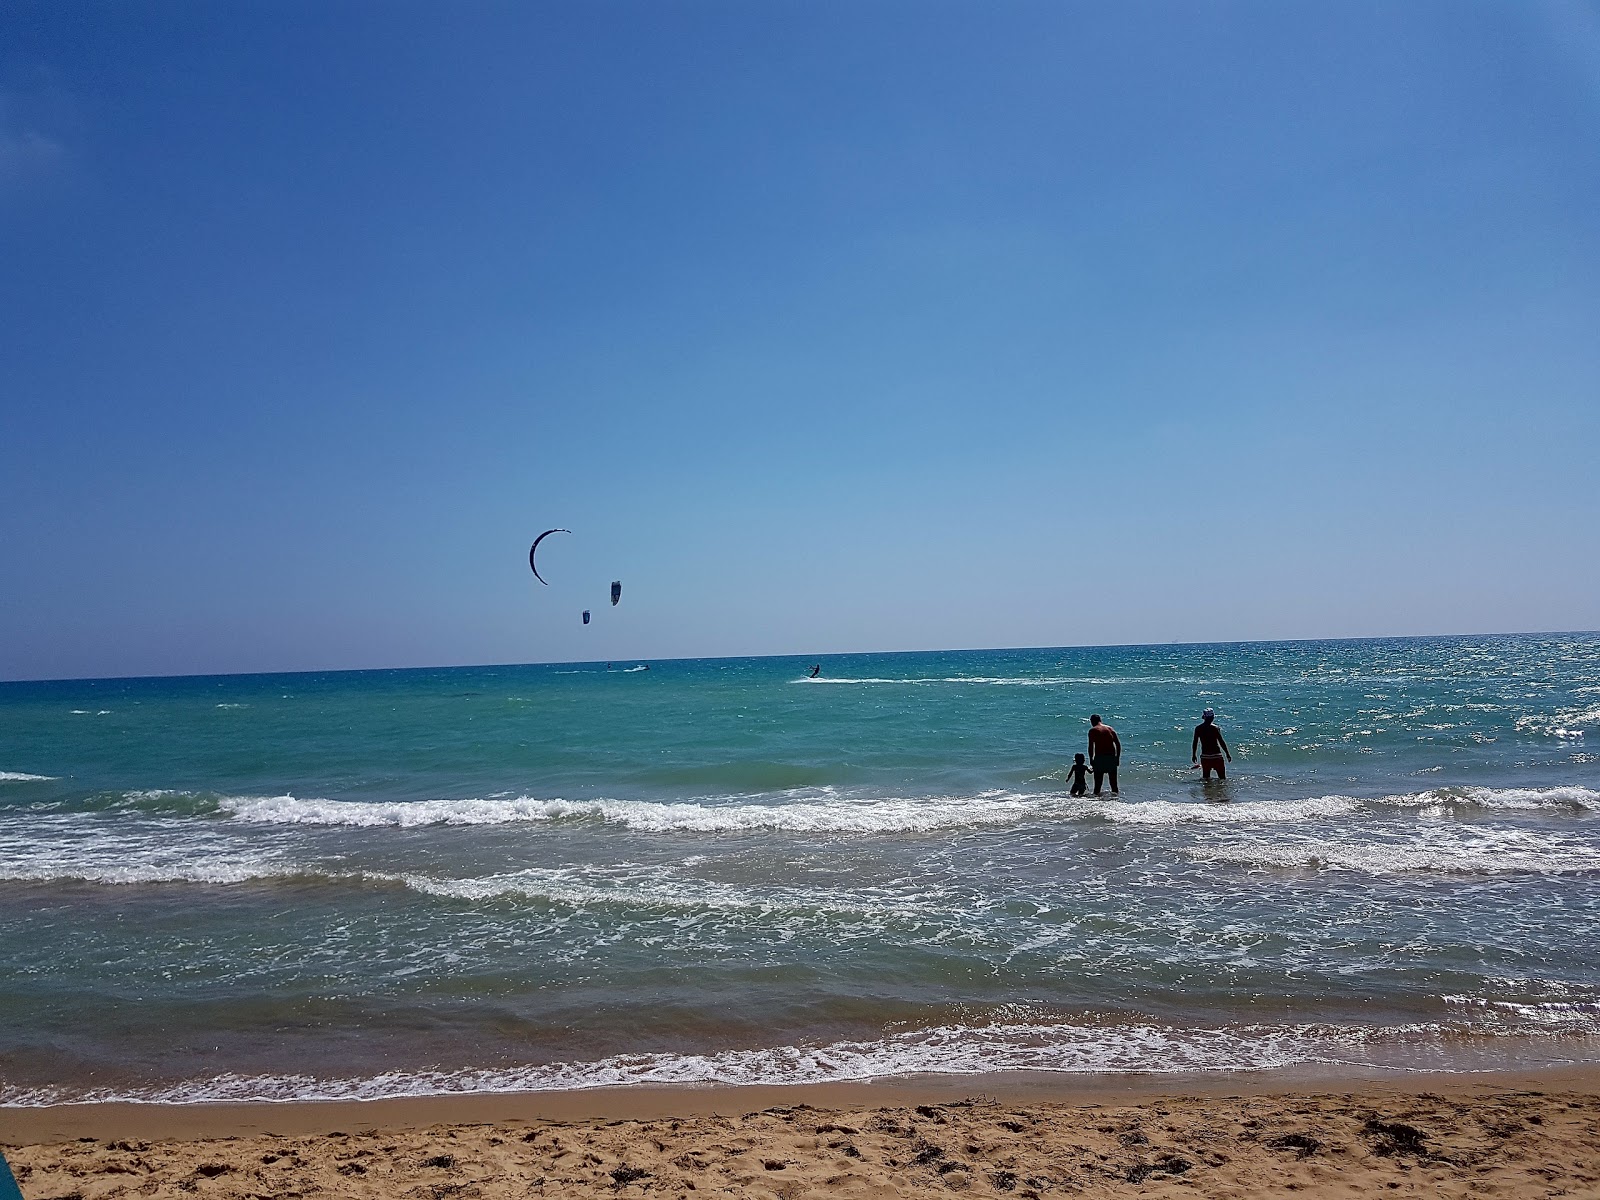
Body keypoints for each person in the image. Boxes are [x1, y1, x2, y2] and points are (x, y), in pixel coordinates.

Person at [1191, 708, 1232, 780]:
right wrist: (1227, 754)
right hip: (1216, 755)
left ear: (1204, 717)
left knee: (1206, 778)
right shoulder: (1215, 728)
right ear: (1212, 717)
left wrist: (1194, 754)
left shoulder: (1198, 728)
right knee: (1222, 778)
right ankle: (1221, 790)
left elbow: (1195, 742)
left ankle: (1207, 791)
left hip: (1205, 756)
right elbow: (1221, 741)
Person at [1087, 714, 1121, 795]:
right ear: (1100, 720)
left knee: (1097, 786)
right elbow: (1118, 744)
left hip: (1100, 758)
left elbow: (1091, 746)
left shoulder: (1093, 730)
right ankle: (1116, 803)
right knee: (1114, 785)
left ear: (1092, 721)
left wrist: (1091, 759)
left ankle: (1096, 805)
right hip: (1111, 758)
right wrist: (1117, 758)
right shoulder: (1110, 729)